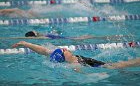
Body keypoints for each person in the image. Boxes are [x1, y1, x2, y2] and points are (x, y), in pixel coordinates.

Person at [12, 41, 140, 70]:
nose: (65, 48)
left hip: (86, 59)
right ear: (64, 57)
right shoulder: (74, 64)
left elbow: (42, 50)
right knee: (116, 66)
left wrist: (24, 43)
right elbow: (82, 74)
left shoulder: (57, 56)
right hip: (92, 64)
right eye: (64, 51)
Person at [25, 31, 94, 40]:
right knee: (84, 37)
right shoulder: (44, 34)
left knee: (81, 38)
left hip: (66, 38)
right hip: (65, 37)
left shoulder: (43, 36)